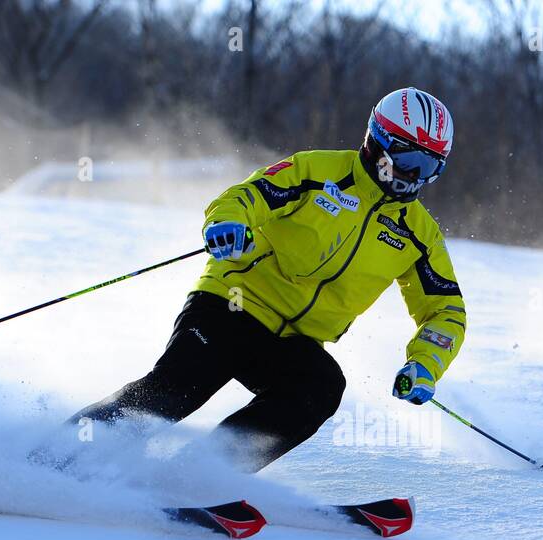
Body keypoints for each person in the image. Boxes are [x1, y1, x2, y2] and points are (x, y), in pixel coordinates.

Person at [67, 87, 467, 472]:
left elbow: (445, 310)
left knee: (320, 388)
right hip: (231, 305)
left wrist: (426, 364)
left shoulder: (417, 233)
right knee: (175, 391)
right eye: (410, 159)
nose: (414, 176)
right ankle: (60, 455)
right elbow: (247, 196)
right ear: (378, 141)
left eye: (430, 167)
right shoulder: (317, 171)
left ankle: (201, 474)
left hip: (292, 342)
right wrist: (228, 224)